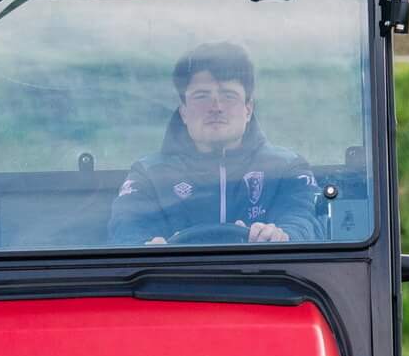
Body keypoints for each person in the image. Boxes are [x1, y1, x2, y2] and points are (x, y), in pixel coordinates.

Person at [108, 41, 323, 246]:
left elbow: (304, 219)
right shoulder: (148, 175)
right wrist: (144, 246)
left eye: (229, 95)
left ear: (248, 109)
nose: (216, 106)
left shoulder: (288, 170)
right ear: (183, 111)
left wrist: (284, 236)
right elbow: (127, 228)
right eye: (202, 96)